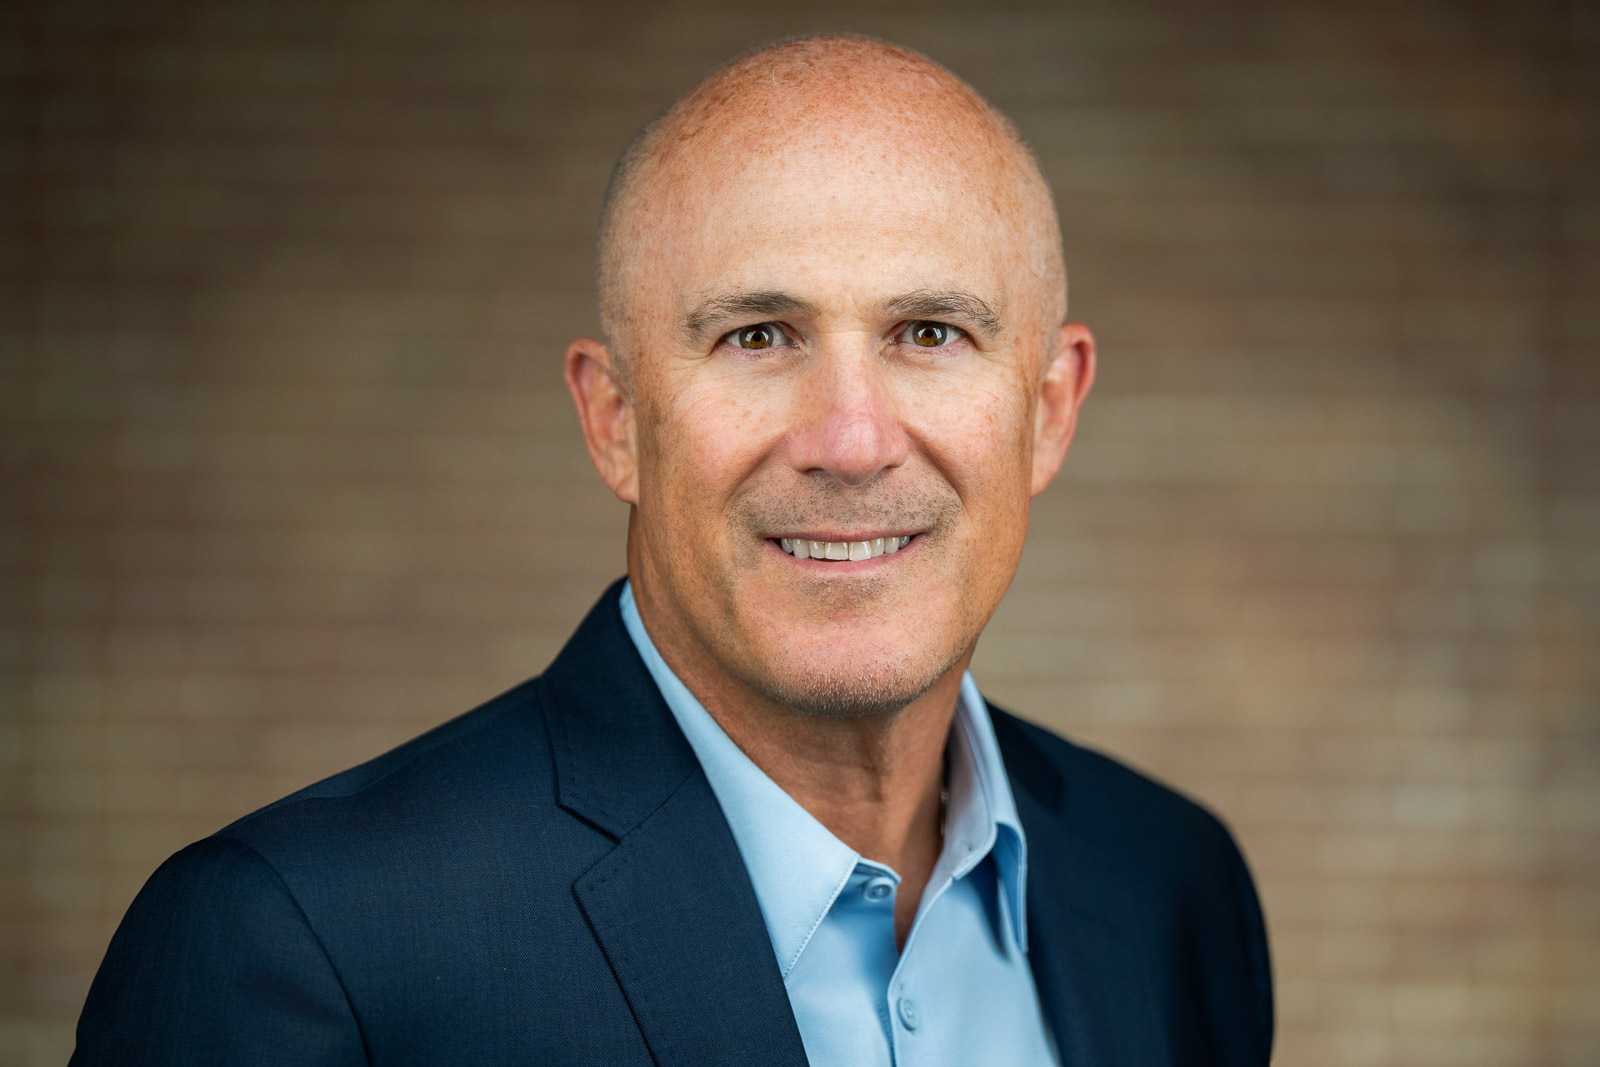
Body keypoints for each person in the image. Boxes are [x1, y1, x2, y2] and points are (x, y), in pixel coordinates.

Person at [71, 34, 1272, 1066]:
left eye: (928, 330)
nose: (850, 440)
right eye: (757, 335)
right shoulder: (299, 943)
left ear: (1048, 409)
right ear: (616, 421)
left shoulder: (1171, 886)